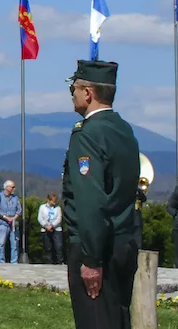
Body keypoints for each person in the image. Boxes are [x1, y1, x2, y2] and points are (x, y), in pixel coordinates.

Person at [61, 60, 140, 329]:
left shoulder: (88, 134)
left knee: (95, 321)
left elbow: (91, 200)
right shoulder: (123, 129)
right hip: (123, 240)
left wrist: (91, 259)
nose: (71, 93)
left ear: (88, 92)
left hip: (97, 246)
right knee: (117, 319)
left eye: (73, 87)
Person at [0, 180, 22, 263]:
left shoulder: (15, 198)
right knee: (1, 243)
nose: (14, 189)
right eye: (12, 187)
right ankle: (1, 260)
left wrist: (14, 217)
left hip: (13, 223)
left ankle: (14, 261)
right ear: (7, 188)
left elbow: (19, 210)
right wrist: (6, 218)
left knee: (14, 243)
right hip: (2, 223)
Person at [38, 192, 64, 264]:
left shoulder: (58, 208)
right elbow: (40, 218)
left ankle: (59, 262)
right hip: (45, 229)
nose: (54, 203)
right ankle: (49, 262)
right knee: (48, 247)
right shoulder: (42, 207)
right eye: (53, 201)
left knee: (58, 246)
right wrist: (46, 226)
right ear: (48, 200)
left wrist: (52, 225)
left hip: (56, 229)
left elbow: (59, 218)